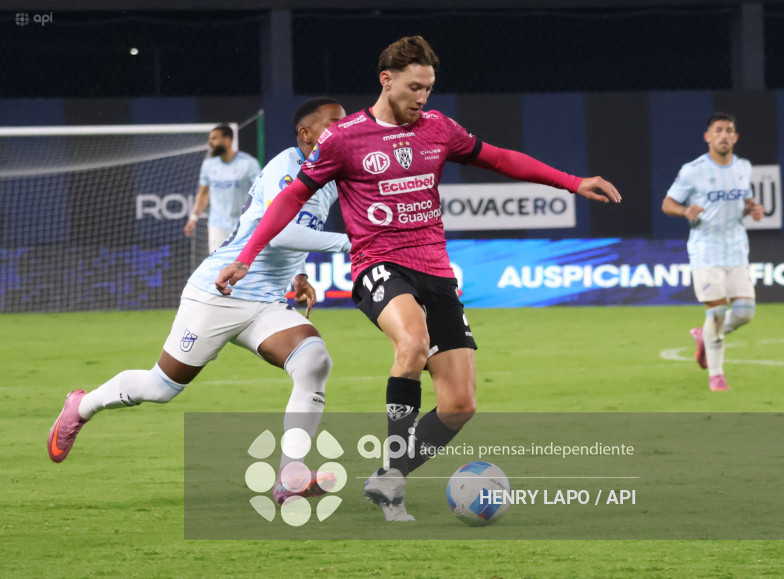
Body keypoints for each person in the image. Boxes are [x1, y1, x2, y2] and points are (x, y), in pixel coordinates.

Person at [215, 36, 621, 521]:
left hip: (435, 271)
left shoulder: (438, 128)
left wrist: (573, 182)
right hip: (379, 264)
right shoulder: (344, 137)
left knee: (459, 405)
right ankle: (394, 486)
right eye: (414, 87)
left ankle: (389, 474)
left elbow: (499, 158)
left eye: (428, 88)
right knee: (412, 343)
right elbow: (290, 199)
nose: (422, 97)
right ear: (386, 80)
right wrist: (247, 256)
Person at [49, 98, 351, 503]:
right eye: (334, 123)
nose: (343, 130)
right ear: (306, 133)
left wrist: (298, 274)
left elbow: (293, 231)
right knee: (160, 387)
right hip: (219, 293)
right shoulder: (287, 167)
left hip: (266, 302)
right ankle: (81, 406)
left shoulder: (329, 178)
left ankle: (288, 476)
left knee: (313, 362)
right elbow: (279, 232)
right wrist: (353, 242)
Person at [662, 112, 763, 391]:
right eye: (718, 130)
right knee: (717, 312)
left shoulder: (743, 167)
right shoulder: (693, 170)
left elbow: (746, 201)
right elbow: (668, 204)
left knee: (744, 313)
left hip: (737, 250)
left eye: (729, 130)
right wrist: (685, 211)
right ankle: (716, 376)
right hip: (706, 252)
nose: (724, 135)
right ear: (708, 137)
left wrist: (753, 209)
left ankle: (703, 336)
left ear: (736, 137)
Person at [184, 124, 261, 253]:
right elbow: (203, 194)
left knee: (242, 263)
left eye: (214, 138)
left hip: (244, 224)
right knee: (217, 263)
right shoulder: (208, 165)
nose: (210, 143)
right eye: (210, 139)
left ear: (228, 140)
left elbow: (261, 191)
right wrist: (193, 218)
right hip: (217, 225)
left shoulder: (248, 163)